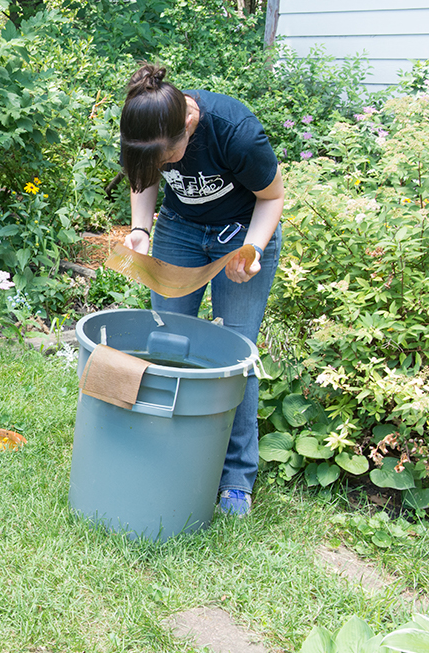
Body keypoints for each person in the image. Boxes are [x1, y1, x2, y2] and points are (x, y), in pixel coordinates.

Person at [119, 64, 285, 516]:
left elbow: (272, 197)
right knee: (169, 341)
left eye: (168, 157)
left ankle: (236, 479)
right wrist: (140, 229)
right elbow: (144, 176)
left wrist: (252, 249)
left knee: (238, 353)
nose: (164, 165)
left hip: (243, 231)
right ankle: (168, 451)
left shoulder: (236, 133)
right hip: (180, 231)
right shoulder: (150, 120)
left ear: (189, 125)